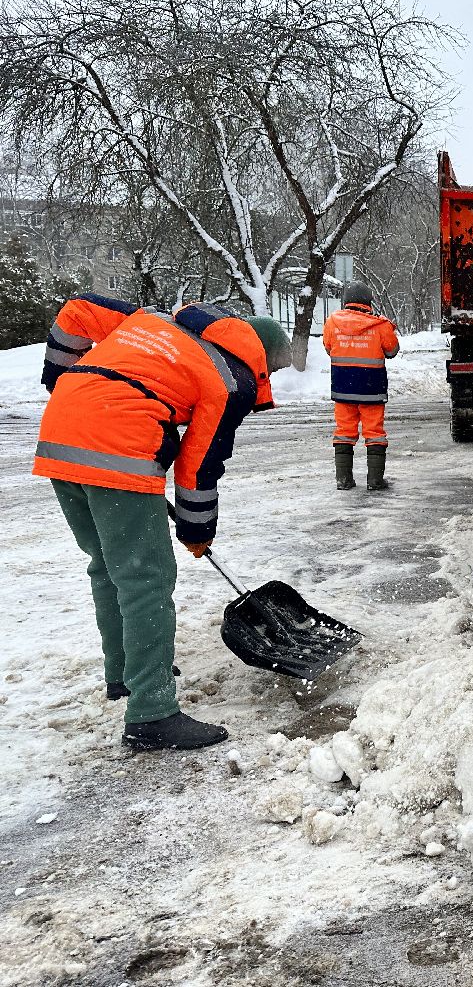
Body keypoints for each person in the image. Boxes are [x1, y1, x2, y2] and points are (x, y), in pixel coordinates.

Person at [33, 294, 291, 750]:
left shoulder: (154, 321)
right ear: (262, 358)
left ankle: (125, 675)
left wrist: (61, 379)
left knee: (108, 566)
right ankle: (152, 712)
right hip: (116, 445)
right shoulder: (229, 378)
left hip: (60, 433)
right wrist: (196, 529)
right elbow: (200, 463)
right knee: (146, 579)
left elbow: (77, 310)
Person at [323, 281, 400, 491]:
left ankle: (343, 480)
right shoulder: (380, 325)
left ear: (346, 301)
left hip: (343, 388)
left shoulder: (332, 322)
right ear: (368, 302)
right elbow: (392, 351)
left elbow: (328, 347)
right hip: (371, 389)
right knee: (374, 432)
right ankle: (375, 481)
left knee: (344, 432)